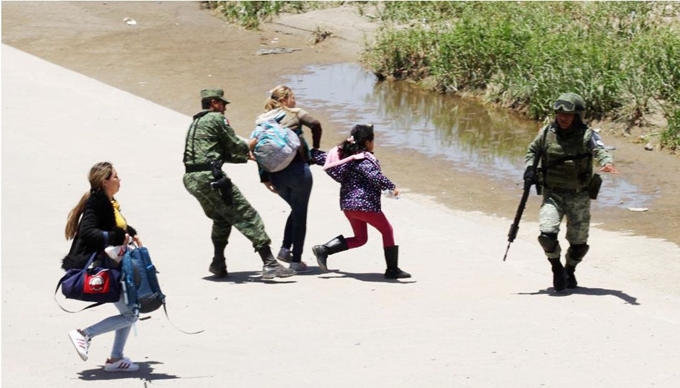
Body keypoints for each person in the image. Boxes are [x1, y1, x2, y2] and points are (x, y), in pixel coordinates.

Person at [183, 88, 295, 279]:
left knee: (221, 218)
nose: (225, 108)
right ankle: (269, 263)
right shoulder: (216, 119)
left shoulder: (196, 122)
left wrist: (245, 157)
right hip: (211, 178)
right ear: (214, 103)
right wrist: (258, 139)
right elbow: (236, 145)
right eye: (222, 104)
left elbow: (220, 152)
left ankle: (218, 262)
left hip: (192, 179)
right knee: (248, 215)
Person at [524, 92, 619, 292]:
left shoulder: (588, 134)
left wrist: (607, 163)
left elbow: (600, 150)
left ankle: (570, 268)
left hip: (579, 195)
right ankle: (556, 267)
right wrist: (529, 168)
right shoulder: (546, 132)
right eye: (559, 114)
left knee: (579, 244)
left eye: (568, 115)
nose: (563, 118)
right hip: (553, 194)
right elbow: (532, 151)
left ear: (577, 115)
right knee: (547, 235)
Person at [62, 162, 141, 372]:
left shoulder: (108, 202)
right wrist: (115, 236)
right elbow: (88, 232)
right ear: (105, 181)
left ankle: (116, 359)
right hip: (98, 266)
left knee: (131, 310)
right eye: (116, 176)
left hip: (112, 265)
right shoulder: (97, 202)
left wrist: (130, 233)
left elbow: (114, 225)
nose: (119, 180)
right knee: (131, 313)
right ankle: (85, 334)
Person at [311, 124, 411, 279]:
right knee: (387, 231)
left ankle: (324, 250)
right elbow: (374, 176)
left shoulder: (345, 156)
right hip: (364, 205)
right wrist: (392, 187)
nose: (373, 144)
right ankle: (392, 269)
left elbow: (322, 158)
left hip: (348, 206)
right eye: (373, 140)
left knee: (360, 238)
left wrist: (306, 155)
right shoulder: (363, 159)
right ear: (367, 142)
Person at [250, 85, 323, 273]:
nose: (295, 102)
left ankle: (284, 249)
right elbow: (316, 124)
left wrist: (264, 177)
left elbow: (261, 150)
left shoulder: (262, 120)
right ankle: (296, 260)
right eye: (292, 97)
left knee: (296, 209)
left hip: (276, 175)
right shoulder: (295, 113)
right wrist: (315, 148)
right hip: (298, 171)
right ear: (283, 100)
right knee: (301, 215)